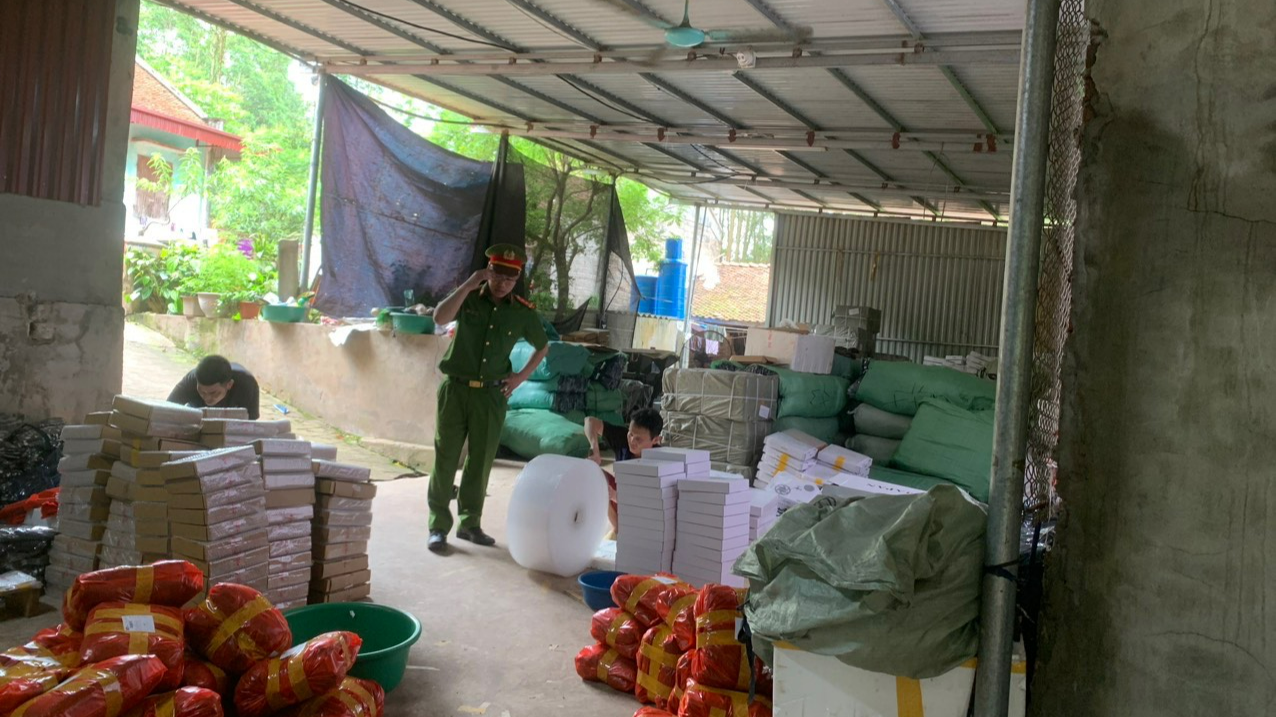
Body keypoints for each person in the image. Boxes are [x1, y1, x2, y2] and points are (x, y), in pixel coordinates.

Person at [427, 244, 550, 554]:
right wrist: (469, 284)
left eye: (510, 279)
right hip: (455, 391)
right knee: (445, 457)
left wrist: (519, 378)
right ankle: (438, 526)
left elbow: (542, 346)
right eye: (497, 276)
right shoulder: (468, 299)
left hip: (492, 395)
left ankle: (470, 523)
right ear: (487, 272)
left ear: (517, 279)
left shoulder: (522, 312)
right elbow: (439, 317)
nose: (502, 283)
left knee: (480, 461)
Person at [585, 408, 664, 537]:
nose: (632, 441)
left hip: (642, 509)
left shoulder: (661, 461)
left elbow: (648, 501)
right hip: (620, 496)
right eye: (630, 434)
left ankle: (623, 531)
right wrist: (595, 449)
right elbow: (590, 421)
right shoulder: (622, 438)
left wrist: (615, 496)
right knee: (595, 474)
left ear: (655, 440)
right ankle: (617, 527)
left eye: (638, 439)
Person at [167, 355, 261, 419]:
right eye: (201, 392)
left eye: (213, 393)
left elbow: (251, 424)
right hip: (196, 410)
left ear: (229, 385)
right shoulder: (190, 382)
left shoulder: (247, 385)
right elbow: (167, 410)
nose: (207, 398)